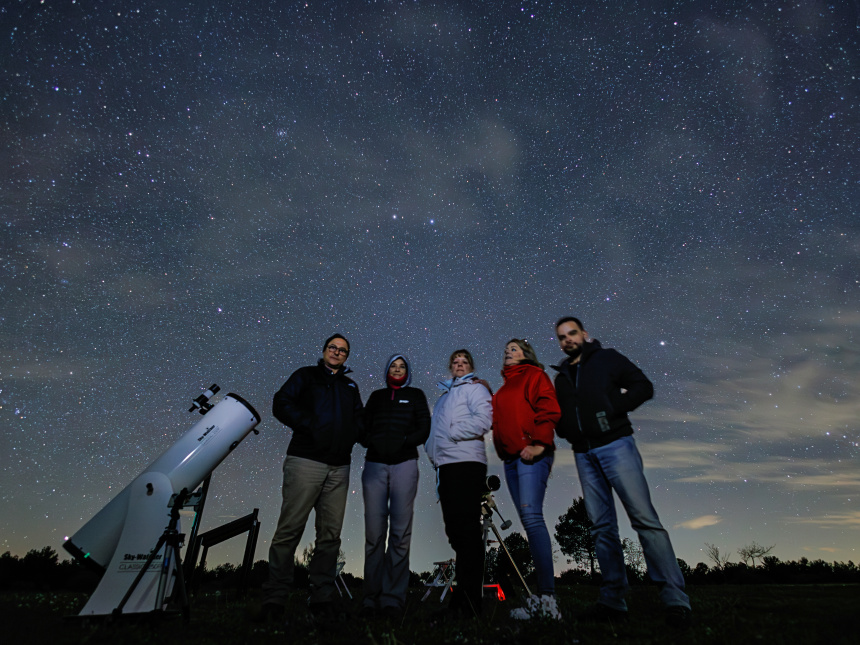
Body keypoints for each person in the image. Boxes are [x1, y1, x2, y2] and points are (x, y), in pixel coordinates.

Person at [552, 317, 692, 627]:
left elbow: (643, 386)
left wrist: (612, 407)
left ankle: (675, 599)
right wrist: (567, 431)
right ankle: (612, 600)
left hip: (616, 445)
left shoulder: (607, 358)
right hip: (583, 454)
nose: (567, 340)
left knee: (644, 519)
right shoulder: (561, 376)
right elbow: (559, 414)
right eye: (562, 337)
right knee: (601, 527)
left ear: (585, 335)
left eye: (572, 333)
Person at [259, 333, 364, 621]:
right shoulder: (305, 376)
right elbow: (281, 402)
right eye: (333, 347)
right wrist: (310, 425)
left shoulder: (350, 386)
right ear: (324, 350)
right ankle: (275, 598)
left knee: (330, 536)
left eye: (343, 350)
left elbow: (360, 420)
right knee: (289, 531)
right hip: (306, 461)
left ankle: (321, 597)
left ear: (347, 356)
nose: (337, 352)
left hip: (339, 468)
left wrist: (353, 436)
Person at [491, 339, 562, 620]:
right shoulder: (502, 388)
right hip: (511, 458)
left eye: (515, 349)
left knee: (532, 517)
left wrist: (540, 443)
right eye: (506, 349)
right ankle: (539, 600)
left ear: (526, 355)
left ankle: (548, 600)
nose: (509, 352)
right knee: (526, 519)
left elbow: (549, 408)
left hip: (532, 453)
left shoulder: (535, 375)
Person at [360, 354, 431, 619]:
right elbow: (362, 424)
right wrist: (372, 441)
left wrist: (403, 440)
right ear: (387, 369)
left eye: (402, 366)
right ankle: (371, 598)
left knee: (400, 535)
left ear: (407, 371)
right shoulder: (377, 396)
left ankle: (392, 599)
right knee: (374, 535)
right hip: (375, 466)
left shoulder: (415, 395)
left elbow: (424, 426)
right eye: (393, 365)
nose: (397, 369)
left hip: (405, 465)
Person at [425, 349, 493, 618]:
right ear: (450, 367)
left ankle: (469, 602)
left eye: (464, 362)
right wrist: (434, 454)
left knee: (467, 531)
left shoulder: (476, 390)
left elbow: (484, 420)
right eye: (455, 362)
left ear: (471, 367)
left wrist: (454, 433)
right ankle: (463, 599)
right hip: (446, 468)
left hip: (467, 464)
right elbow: (433, 433)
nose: (459, 365)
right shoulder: (443, 399)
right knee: (455, 532)